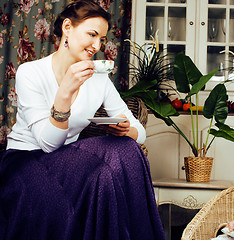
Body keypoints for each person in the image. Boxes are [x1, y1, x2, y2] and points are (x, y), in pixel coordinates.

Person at [0, 0, 165, 239]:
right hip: (26, 160)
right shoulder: (31, 73)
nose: (97, 45)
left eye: (102, 39)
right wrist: (65, 92)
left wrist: (125, 129)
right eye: (92, 34)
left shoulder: (98, 79)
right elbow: (47, 144)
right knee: (104, 170)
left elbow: (141, 133)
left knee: (124, 149)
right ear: (67, 27)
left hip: (68, 159)